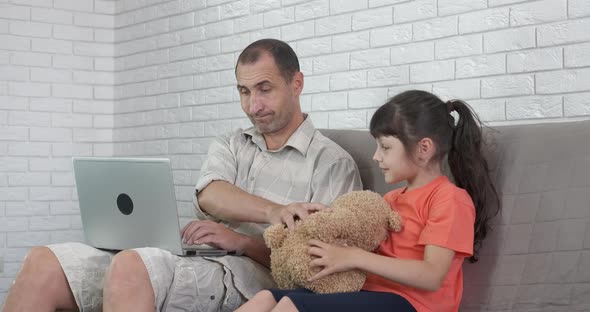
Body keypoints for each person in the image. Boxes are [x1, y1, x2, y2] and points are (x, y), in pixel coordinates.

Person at [1, 39, 362, 312]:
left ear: (296, 83)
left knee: (131, 266)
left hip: (250, 272)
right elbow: (210, 193)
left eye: (264, 89)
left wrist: (242, 241)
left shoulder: (331, 164)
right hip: (192, 255)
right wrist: (272, 212)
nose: (254, 105)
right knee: (43, 260)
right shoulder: (232, 143)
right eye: (244, 91)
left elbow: (327, 272)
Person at [236, 90, 501, 312]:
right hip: (371, 294)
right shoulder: (390, 200)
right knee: (267, 298)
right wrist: (330, 227)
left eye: (385, 147)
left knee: (292, 306)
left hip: (414, 305)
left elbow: (431, 276)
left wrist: (354, 257)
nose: (376, 156)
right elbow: (364, 239)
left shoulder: (450, 199)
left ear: (423, 148)